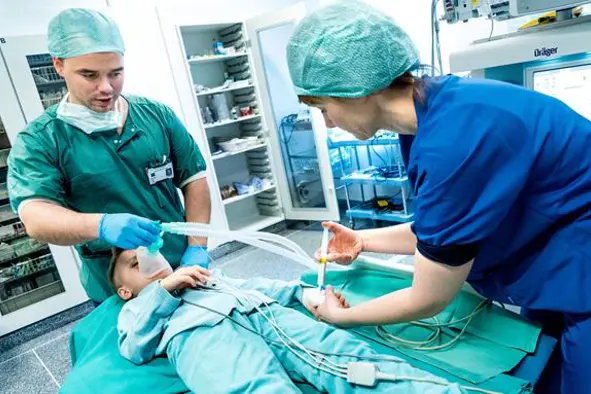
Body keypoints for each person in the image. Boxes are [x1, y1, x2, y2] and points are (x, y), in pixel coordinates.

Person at [286, 2, 591, 393]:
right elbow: (444, 228)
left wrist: (343, 318)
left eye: (324, 107)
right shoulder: (436, 110)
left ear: (356, 90)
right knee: (539, 364)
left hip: (577, 266)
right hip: (557, 264)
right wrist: (364, 240)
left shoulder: (453, 140)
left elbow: (429, 298)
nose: (328, 122)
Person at [7, 8, 211, 303]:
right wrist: (101, 225)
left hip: (183, 265)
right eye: (89, 75)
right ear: (59, 66)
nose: (106, 88)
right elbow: (36, 216)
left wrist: (198, 247)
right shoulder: (41, 140)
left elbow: (195, 180)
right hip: (119, 288)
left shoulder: (156, 116)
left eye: (115, 73)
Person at [109, 247, 465, 394]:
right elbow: (134, 346)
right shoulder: (135, 308)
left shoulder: (206, 276)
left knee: (347, 356)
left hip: (264, 314)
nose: (147, 257)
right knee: (254, 387)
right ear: (125, 291)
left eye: (148, 253)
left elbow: (261, 285)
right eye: (135, 264)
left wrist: (304, 294)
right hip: (201, 337)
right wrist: (165, 290)